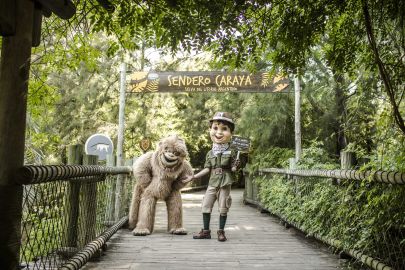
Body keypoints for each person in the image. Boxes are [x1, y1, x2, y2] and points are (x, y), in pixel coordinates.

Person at [182, 112, 240, 242]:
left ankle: (221, 231)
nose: (219, 132)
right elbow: (207, 169)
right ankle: (206, 231)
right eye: (215, 128)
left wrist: (235, 166)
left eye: (224, 129)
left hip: (225, 182)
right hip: (213, 182)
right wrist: (194, 177)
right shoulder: (210, 153)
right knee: (205, 206)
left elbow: (233, 168)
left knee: (223, 207)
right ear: (210, 130)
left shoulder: (232, 151)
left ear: (230, 133)